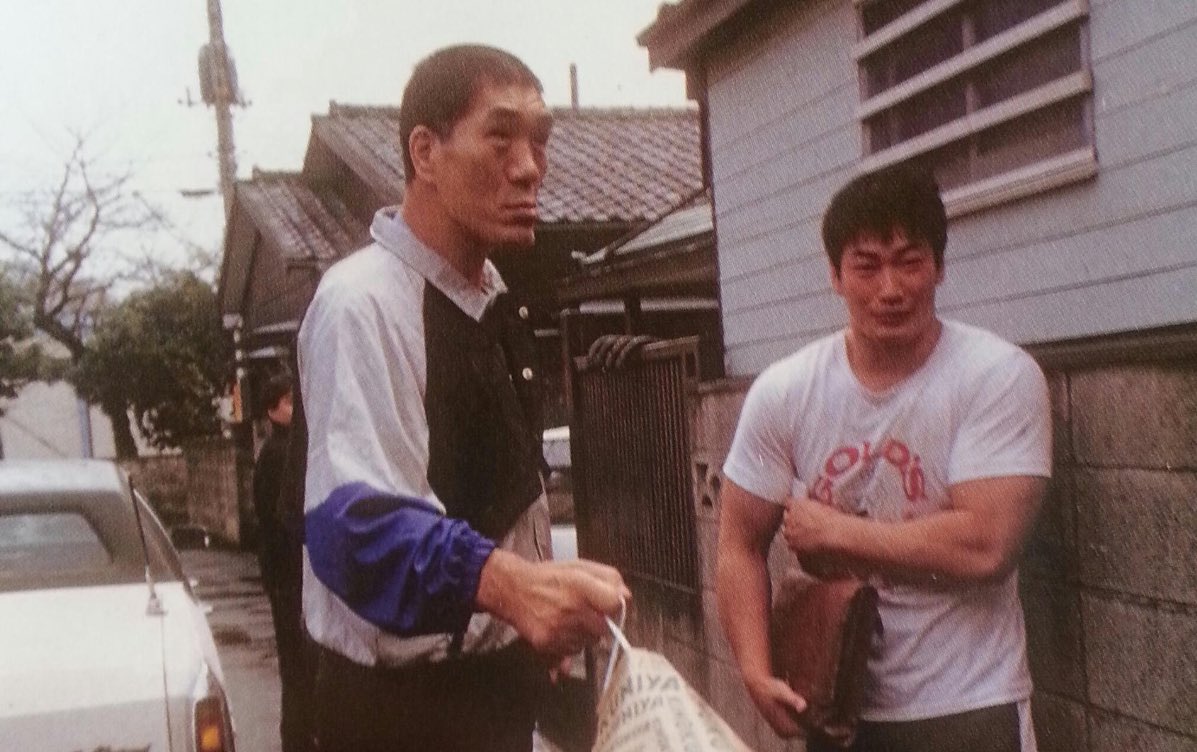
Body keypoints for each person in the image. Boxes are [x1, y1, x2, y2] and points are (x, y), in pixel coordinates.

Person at [295, 44, 630, 752]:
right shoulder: (361, 302)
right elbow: (352, 525)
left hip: (497, 690)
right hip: (403, 713)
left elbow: (510, 491)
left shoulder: (491, 298)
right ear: (426, 152)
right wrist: (513, 589)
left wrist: (532, 611)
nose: (529, 167)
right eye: (500, 137)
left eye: (539, 140)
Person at [717, 164, 1052, 752]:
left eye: (909, 261)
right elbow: (739, 543)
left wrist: (837, 533)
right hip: (837, 709)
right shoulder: (786, 390)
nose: (890, 288)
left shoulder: (997, 376)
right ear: (835, 276)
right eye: (867, 265)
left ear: (939, 267)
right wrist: (753, 669)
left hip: (970, 705)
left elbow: (986, 546)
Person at [251, 373, 313, 752]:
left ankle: (300, 737)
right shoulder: (279, 455)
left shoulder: (282, 450)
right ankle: (297, 740)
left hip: (286, 573)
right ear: (272, 410)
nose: (295, 408)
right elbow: (282, 520)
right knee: (297, 663)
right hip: (289, 574)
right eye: (288, 401)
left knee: (299, 663)